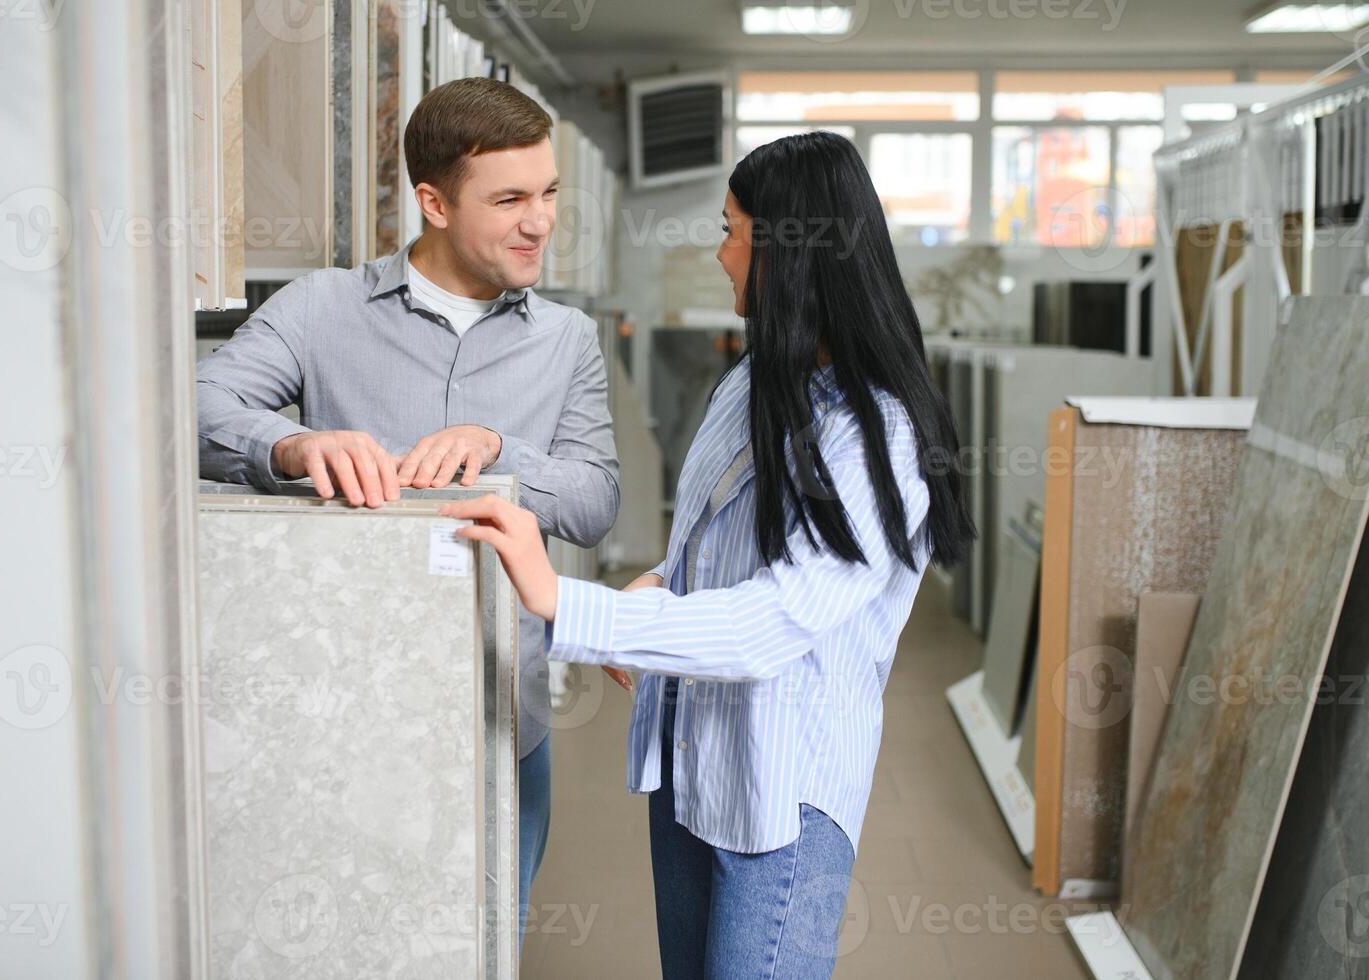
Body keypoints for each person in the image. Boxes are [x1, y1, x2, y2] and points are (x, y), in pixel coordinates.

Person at [439, 130, 975, 979]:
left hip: (780, 801)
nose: (720, 252)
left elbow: (775, 621)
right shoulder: (754, 383)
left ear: (786, 252)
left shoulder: (880, 436)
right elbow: (711, 547)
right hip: (692, 772)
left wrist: (569, 604)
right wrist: (659, 584)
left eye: (731, 230)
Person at [194, 77, 623, 939]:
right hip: (337, 704)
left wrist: (502, 450)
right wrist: (290, 448)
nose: (539, 222)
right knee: (340, 931)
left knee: (485, 936)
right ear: (432, 201)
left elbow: (594, 499)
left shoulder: (565, 339)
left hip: (504, 710)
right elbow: (196, 406)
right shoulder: (323, 307)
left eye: (547, 194)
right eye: (508, 200)